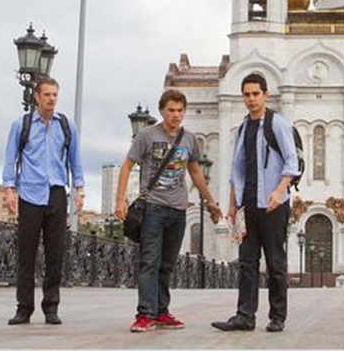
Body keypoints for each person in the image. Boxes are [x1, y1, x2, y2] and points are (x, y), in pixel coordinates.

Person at [115, 89, 222, 333]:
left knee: (167, 264)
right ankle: (145, 314)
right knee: (149, 261)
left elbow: (195, 172)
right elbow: (127, 166)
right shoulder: (147, 135)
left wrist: (211, 202)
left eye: (179, 111)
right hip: (153, 207)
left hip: (178, 210)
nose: (175, 115)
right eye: (171, 110)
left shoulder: (189, 139)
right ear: (162, 110)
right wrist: (120, 200)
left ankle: (161, 312)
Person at [211, 73, 300, 333]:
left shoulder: (277, 124)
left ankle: (277, 316)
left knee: (275, 262)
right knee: (247, 262)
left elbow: (291, 162)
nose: (251, 99)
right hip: (248, 206)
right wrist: (231, 205)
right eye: (247, 95)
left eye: (255, 94)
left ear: (265, 95)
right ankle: (245, 315)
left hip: (274, 205)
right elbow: (236, 170)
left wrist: (279, 190)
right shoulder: (243, 128)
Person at [2, 77, 84, 326]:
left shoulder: (67, 126)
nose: (51, 99)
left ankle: (51, 307)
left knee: (55, 253)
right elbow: (10, 158)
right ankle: (24, 308)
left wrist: (79, 189)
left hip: (57, 193)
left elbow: (75, 160)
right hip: (29, 194)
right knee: (27, 254)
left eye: (55, 95)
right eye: (47, 94)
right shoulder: (21, 125)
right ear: (36, 96)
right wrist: (9, 189)